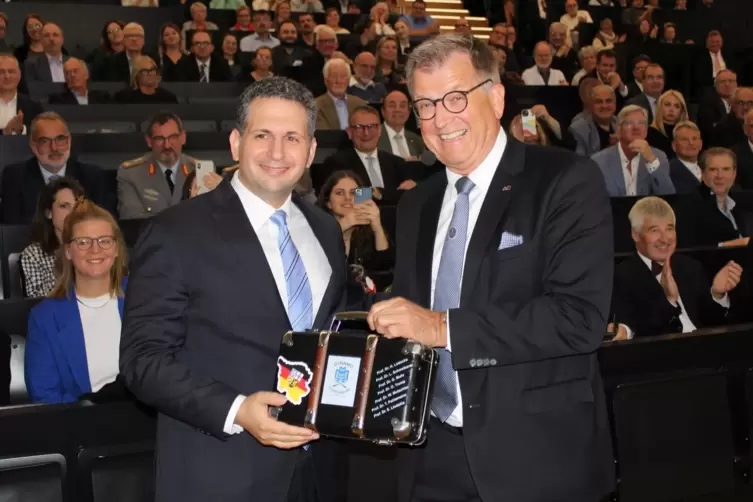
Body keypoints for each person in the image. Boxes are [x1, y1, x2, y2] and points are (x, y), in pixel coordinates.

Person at [365, 34, 615, 502]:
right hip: (428, 457)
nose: (441, 118)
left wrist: (441, 327)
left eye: (455, 98)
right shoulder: (416, 203)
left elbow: (578, 319)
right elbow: (411, 318)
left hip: (536, 460)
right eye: (426, 105)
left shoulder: (563, 180)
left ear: (496, 98)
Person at [120, 77, 348, 502]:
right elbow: (142, 361)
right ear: (236, 143)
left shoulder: (325, 229)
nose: (278, 153)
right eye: (263, 135)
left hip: (320, 474)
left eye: (292, 137)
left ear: (312, 150)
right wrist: (237, 409)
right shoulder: (175, 232)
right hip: (220, 472)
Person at [25, 200, 128, 404]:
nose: (95, 250)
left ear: (116, 249)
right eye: (83, 242)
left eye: (105, 240)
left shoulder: (146, 298)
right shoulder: (45, 318)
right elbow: (44, 395)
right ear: (68, 251)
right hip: (81, 426)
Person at [610, 197, 741, 340]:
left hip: (705, 351)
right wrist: (669, 301)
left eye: (669, 229)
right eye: (654, 230)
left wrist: (717, 294)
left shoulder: (691, 267)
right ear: (635, 235)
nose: (665, 239)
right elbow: (637, 331)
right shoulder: (621, 277)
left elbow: (712, 322)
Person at [0, 112, 112, 224]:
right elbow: (12, 229)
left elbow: (105, 225)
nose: (54, 147)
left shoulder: (93, 176)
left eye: (60, 139)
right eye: (45, 141)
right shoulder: (15, 176)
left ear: (69, 142)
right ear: (33, 146)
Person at [318, 105, 415, 203]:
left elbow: (411, 196)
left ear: (380, 130)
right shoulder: (335, 163)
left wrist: (379, 193)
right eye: (359, 127)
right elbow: (344, 197)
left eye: (372, 127)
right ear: (350, 132)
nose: (366, 133)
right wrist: (388, 194)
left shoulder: (397, 163)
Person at [317, 170, 394, 291]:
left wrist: (377, 227)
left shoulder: (364, 230)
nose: (348, 198)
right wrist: (344, 224)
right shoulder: (316, 228)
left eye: (353, 193)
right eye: (339, 193)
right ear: (328, 203)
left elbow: (385, 270)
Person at [117, 111, 196, 220]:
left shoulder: (199, 170)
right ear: (149, 141)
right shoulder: (131, 174)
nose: (167, 145)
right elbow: (132, 220)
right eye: (159, 139)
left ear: (183, 137)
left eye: (173, 137)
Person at [21, 177, 85, 298]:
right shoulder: (34, 255)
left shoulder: (95, 246)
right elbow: (39, 302)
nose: (72, 213)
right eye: (64, 206)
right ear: (48, 213)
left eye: (77, 206)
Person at [592, 104, 675, 197]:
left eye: (641, 123)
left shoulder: (658, 157)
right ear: (619, 129)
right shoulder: (599, 162)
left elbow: (668, 196)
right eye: (629, 123)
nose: (636, 127)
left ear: (646, 130)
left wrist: (651, 161)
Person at [676, 147, 750, 248]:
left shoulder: (743, 200)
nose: (720, 176)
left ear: (734, 173)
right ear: (703, 173)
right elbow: (688, 249)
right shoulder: (689, 206)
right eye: (713, 169)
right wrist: (729, 245)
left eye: (726, 169)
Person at [314, 58, 367, 130]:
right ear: (326, 81)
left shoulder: (361, 105)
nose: (338, 81)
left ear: (348, 80)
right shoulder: (315, 106)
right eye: (334, 76)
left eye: (343, 76)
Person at [0, 54, 44, 135]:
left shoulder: (33, 106)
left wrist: (22, 129)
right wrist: (4, 132)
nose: (7, 76)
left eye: (11, 71)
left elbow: (42, 133)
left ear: (19, 75)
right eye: (1, 72)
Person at [379, 90, 425, 159]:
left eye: (402, 106)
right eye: (392, 106)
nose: (398, 109)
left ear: (409, 111)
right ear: (383, 111)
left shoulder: (417, 141)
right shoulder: (372, 137)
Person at [113, 55, 179, 104]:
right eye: (144, 70)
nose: (149, 73)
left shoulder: (169, 98)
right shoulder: (124, 98)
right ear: (136, 74)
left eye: (152, 70)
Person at [647, 90, 688, 158]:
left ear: (681, 111)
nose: (671, 109)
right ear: (660, 107)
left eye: (676, 106)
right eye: (667, 105)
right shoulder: (649, 133)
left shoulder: (686, 134)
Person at [669, 121, 704, 193]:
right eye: (684, 139)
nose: (691, 143)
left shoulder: (708, 168)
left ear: (701, 144)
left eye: (694, 139)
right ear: (674, 146)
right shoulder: (668, 171)